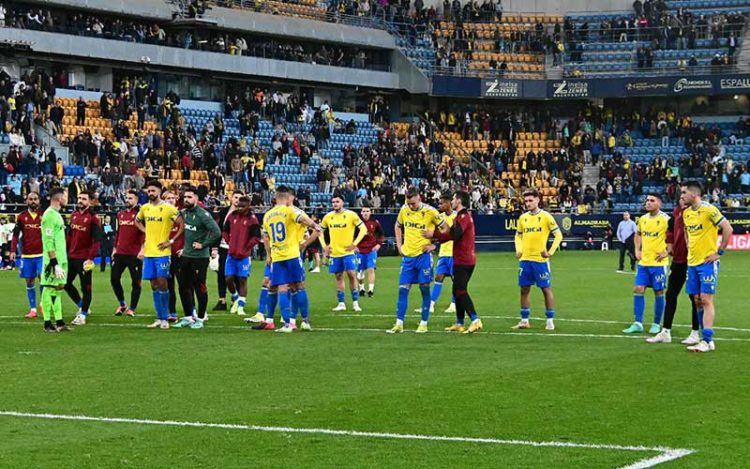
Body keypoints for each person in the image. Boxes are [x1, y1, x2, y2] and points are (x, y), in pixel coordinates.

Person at [680, 181, 733, 352]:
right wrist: (689, 245)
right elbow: (687, 231)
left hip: (708, 262)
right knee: (696, 301)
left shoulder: (709, 209)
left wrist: (720, 252)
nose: (681, 196)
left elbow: (728, 228)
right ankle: (706, 340)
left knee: (706, 299)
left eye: (683, 193)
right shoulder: (686, 213)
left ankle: (707, 339)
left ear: (694, 194)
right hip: (692, 263)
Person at [386, 187, 445, 334]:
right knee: (402, 290)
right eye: (408, 203)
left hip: (423, 257)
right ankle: (399, 323)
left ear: (419, 198)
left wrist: (434, 244)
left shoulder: (431, 211)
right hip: (408, 257)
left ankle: (424, 323)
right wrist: (399, 245)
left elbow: (446, 229)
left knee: (424, 289)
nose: (411, 206)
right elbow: (397, 225)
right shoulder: (404, 210)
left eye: (413, 203)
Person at [261, 186, 320, 333]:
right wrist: (314, 225)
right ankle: (305, 321)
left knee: (281, 287)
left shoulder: (267, 215)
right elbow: (302, 218)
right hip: (293, 254)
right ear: (287, 198)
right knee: (299, 286)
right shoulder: (289, 210)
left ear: (275, 198)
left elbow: (266, 237)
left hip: (277, 256)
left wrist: (268, 254)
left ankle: (287, 324)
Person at [424, 191, 483, 333]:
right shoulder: (461, 217)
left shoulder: (463, 217)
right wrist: (436, 239)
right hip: (462, 259)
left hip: (464, 259)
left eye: (455, 198)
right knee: (457, 290)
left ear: (459, 201)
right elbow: (449, 235)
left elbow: (454, 235)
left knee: (460, 290)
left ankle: (475, 320)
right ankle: (459, 322)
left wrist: (434, 234)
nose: (453, 201)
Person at [647, 198, 701, 344]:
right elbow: (670, 230)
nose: (682, 197)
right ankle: (666, 331)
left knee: (694, 298)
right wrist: (669, 246)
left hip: (692, 260)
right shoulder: (677, 213)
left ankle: (695, 333)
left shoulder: (696, 212)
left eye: (684, 194)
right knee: (671, 294)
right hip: (678, 260)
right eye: (681, 194)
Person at [513, 189, 563, 331]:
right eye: (526, 201)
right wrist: (518, 249)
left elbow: (558, 235)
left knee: (546, 289)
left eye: (530, 200)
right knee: (524, 289)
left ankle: (550, 320)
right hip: (525, 259)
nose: (527, 203)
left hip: (540, 261)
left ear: (537, 200)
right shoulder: (523, 218)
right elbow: (518, 235)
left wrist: (550, 252)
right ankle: (524, 320)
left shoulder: (546, 217)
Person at [135, 181, 183, 329]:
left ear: (159, 191)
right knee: (153, 285)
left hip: (163, 252)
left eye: (153, 190)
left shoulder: (168, 208)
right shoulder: (145, 208)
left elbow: (182, 223)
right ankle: (160, 317)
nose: (150, 193)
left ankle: (166, 316)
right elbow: (137, 221)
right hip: (149, 252)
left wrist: (172, 240)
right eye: (149, 191)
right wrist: (146, 231)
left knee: (163, 283)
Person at [173, 187, 221, 330]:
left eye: (189, 197)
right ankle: (188, 317)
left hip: (200, 258)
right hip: (186, 256)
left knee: (200, 287)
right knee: (183, 287)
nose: (186, 199)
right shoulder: (183, 213)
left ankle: (200, 318)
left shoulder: (203, 214)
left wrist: (204, 244)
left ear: (196, 198)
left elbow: (216, 232)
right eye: (184, 197)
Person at [622, 194, 669, 335]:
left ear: (659, 203)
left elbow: (677, 236)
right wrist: (637, 249)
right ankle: (638, 323)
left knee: (658, 291)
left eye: (652, 201)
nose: (648, 203)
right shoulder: (642, 219)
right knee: (638, 289)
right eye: (647, 200)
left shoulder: (666, 219)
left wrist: (668, 251)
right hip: (644, 262)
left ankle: (656, 323)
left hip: (659, 263)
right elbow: (638, 234)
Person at [320, 193, 366, 313]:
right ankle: (341, 303)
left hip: (348, 252)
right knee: (339, 277)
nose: (335, 204)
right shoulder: (328, 217)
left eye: (337, 201)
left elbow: (363, 229)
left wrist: (355, 243)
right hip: (335, 253)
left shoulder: (351, 215)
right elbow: (319, 231)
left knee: (351, 275)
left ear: (342, 203)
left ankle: (355, 303)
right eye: (333, 202)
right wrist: (324, 246)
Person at [66, 191, 102, 326]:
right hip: (71, 256)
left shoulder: (93, 218)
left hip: (84, 259)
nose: (80, 200)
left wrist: (90, 258)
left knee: (86, 287)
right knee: (66, 284)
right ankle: (82, 305)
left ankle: (83, 315)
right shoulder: (74, 215)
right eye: (79, 198)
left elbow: (97, 240)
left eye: (84, 199)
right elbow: (70, 236)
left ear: (90, 202)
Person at [223, 195, 261, 318]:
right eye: (238, 206)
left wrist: (247, 247)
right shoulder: (232, 216)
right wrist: (228, 241)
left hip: (244, 256)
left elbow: (256, 237)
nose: (240, 208)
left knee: (242, 280)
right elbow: (225, 230)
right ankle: (235, 297)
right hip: (231, 254)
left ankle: (240, 306)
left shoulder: (252, 219)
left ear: (248, 206)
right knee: (228, 278)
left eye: (242, 206)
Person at [419, 194, 456, 314]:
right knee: (439, 277)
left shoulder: (457, 217)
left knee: (456, 280)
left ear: (449, 203)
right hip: (443, 253)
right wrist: (433, 245)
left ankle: (454, 304)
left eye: (441, 203)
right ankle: (431, 304)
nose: (439, 206)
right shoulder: (439, 217)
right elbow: (436, 235)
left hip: (454, 253)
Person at [40, 187, 70, 332]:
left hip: (61, 258)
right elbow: (48, 240)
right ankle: (47, 323)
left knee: (58, 288)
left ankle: (59, 322)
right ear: (59, 198)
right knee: (49, 288)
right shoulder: (49, 216)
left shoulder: (57, 215)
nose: (67, 199)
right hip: (53, 261)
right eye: (65, 196)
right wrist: (54, 263)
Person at [111, 190, 144, 318]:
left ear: (136, 199)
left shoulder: (141, 215)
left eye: (130, 198)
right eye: (127, 198)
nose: (128, 200)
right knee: (114, 279)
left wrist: (143, 249)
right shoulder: (120, 214)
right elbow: (118, 233)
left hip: (134, 254)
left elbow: (144, 233)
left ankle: (132, 308)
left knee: (136, 282)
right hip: (120, 252)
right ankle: (122, 303)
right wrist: (115, 248)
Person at [11, 192, 44, 318]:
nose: (33, 201)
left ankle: (43, 304)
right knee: (29, 282)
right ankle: (33, 309)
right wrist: (13, 250)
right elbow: (15, 235)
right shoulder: (21, 217)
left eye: (35, 199)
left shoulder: (44, 216)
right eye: (31, 199)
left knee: (43, 279)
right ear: (27, 201)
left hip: (42, 254)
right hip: (27, 255)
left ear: (39, 200)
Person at [212, 191, 244, 311]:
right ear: (231, 198)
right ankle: (222, 299)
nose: (237, 200)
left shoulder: (244, 214)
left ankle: (234, 299)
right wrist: (215, 247)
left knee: (236, 275)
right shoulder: (224, 212)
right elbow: (218, 230)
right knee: (221, 273)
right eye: (235, 197)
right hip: (224, 247)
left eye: (240, 198)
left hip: (237, 248)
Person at [164, 190, 184, 322]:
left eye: (173, 198)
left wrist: (184, 248)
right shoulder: (161, 215)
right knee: (168, 285)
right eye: (168, 198)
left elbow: (188, 233)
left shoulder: (182, 215)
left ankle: (192, 310)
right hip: (165, 255)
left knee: (185, 284)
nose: (171, 200)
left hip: (179, 254)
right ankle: (172, 312)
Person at [356, 207, 384, 297]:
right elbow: (350, 235)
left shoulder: (375, 223)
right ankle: (361, 288)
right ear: (361, 213)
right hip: (360, 250)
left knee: (371, 269)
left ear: (370, 212)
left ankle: (371, 290)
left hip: (371, 250)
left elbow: (381, 234)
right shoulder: (357, 224)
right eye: (364, 211)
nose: (365, 213)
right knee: (360, 272)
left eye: (367, 211)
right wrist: (354, 246)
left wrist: (378, 244)